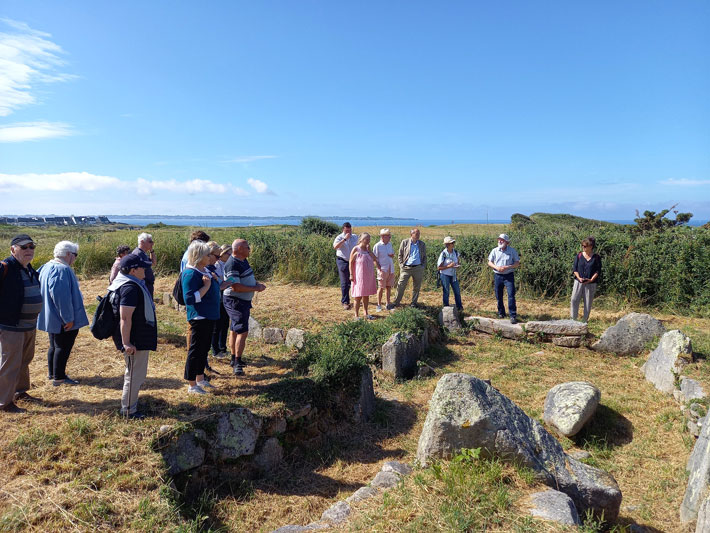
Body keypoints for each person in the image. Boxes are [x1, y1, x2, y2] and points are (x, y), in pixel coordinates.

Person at [107, 253, 156, 419]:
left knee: (136, 373)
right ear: (133, 270)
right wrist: (126, 343)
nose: (146, 270)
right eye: (142, 267)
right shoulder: (130, 288)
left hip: (137, 336)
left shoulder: (130, 284)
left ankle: (130, 404)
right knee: (134, 375)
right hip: (135, 339)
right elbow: (125, 318)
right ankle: (128, 410)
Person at [37, 241, 89, 386]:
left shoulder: (47, 266)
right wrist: (68, 318)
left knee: (54, 345)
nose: (75, 259)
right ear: (68, 254)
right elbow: (61, 297)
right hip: (60, 317)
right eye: (75, 255)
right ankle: (59, 377)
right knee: (62, 346)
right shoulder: (61, 270)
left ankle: (53, 373)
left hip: (51, 316)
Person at [0, 234, 42, 414]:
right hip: (11, 327)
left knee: (25, 361)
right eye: (24, 247)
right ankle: (4, 402)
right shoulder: (5, 267)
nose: (29, 250)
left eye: (31, 247)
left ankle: (20, 392)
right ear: (13, 249)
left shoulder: (28, 268)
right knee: (10, 364)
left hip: (29, 326)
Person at [182, 241, 224, 394]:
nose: (210, 257)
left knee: (204, 349)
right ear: (199, 256)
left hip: (209, 316)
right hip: (199, 317)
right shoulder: (190, 273)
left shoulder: (204, 270)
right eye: (207, 254)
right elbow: (189, 299)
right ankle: (192, 384)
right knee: (196, 350)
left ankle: (200, 379)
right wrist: (205, 287)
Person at [223, 239, 266, 376]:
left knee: (235, 329)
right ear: (240, 248)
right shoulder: (232, 264)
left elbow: (243, 280)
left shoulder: (242, 260)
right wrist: (256, 288)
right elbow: (235, 286)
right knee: (242, 330)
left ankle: (233, 358)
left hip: (241, 300)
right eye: (247, 247)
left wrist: (255, 283)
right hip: (235, 300)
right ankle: (237, 362)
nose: (249, 249)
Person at [487, 233, 520, 324]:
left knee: (511, 295)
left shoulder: (512, 251)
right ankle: (501, 313)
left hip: (509, 276)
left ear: (507, 242)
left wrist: (508, 267)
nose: (500, 241)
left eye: (502, 240)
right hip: (497, 276)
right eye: (499, 239)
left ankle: (512, 315)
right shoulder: (494, 250)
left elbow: (517, 263)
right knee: (499, 295)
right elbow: (489, 262)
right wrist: (497, 267)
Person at [393, 228, 427, 308]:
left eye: (419, 233)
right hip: (406, 268)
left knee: (417, 287)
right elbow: (400, 255)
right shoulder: (405, 242)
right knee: (401, 285)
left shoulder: (422, 244)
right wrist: (401, 265)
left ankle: (413, 303)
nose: (418, 235)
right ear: (411, 234)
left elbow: (424, 256)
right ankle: (396, 302)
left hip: (418, 268)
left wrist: (422, 266)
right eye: (416, 233)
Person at [206, 242, 230, 359]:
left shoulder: (225, 265)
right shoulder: (212, 267)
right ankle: (215, 349)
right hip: (217, 297)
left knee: (224, 323)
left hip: (223, 296)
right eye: (228, 254)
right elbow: (218, 282)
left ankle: (222, 347)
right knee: (217, 325)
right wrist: (226, 282)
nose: (230, 256)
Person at [571, 237, 602, 322]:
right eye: (582, 246)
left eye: (585, 246)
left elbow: (598, 271)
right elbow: (575, 269)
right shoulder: (579, 255)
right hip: (578, 282)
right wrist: (579, 278)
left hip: (591, 283)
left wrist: (591, 280)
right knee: (574, 299)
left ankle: (584, 321)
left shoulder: (596, 257)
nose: (583, 247)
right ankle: (573, 319)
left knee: (588, 303)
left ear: (591, 246)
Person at [349, 233, 380, 320]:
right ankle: (356, 315)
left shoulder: (368, 250)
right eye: (366, 239)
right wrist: (351, 274)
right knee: (358, 295)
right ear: (361, 240)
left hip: (368, 276)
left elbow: (375, 259)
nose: (368, 241)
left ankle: (366, 313)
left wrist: (369, 251)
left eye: (369, 239)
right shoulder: (356, 249)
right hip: (359, 276)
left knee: (366, 295)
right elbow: (350, 263)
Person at [333, 222, 358, 310]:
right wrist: (344, 239)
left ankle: (357, 298)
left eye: (350, 230)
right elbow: (335, 247)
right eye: (347, 230)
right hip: (343, 261)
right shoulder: (339, 237)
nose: (349, 232)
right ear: (343, 229)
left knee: (355, 280)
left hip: (354, 261)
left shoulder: (355, 237)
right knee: (345, 283)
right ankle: (345, 302)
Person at [437, 236, 463, 310]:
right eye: (452, 243)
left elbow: (458, 261)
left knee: (457, 291)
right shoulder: (443, 254)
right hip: (445, 275)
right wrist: (449, 266)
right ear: (447, 244)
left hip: (453, 275)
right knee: (446, 292)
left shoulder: (455, 252)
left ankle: (460, 308)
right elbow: (439, 268)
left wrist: (457, 265)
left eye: (453, 242)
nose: (454, 244)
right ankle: (446, 308)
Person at [372, 228, 395, 312]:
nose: (390, 237)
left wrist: (392, 255)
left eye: (389, 235)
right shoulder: (377, 246)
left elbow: (392, 255)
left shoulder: (389, 244)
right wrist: (379, 269)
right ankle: (379, 304)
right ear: (383, 236)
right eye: (388, 235)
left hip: (390, 268)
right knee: (381, 287)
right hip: (382, 269)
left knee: (389, 287)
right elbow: (374, 259)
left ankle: (388, 304)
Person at [133, 233, 157, 297]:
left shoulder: (143, 253)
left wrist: (151, 251)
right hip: (143, 285)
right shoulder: (138, 254)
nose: (152, 243)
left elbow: (154, 263)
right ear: (142, 242)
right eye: (150, 242)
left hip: (147, 284)